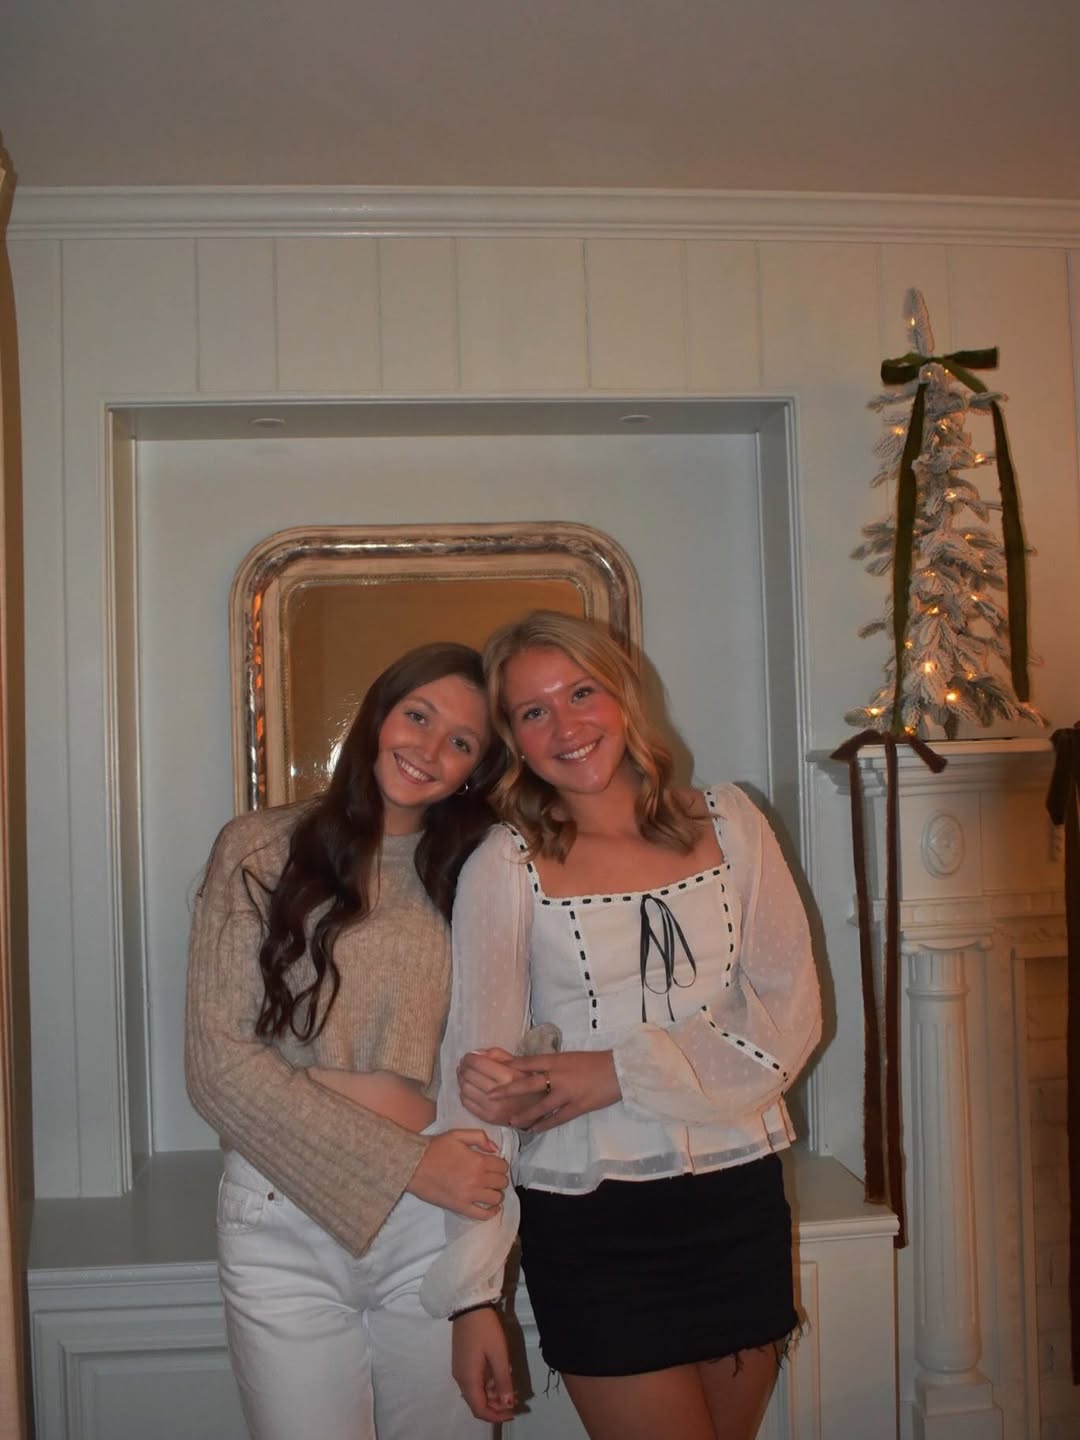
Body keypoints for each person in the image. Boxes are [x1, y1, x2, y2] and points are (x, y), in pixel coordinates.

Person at [426, 612, 822, 1440]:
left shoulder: (733, 823)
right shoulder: (506, 863)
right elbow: (479, 1094)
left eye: (581, 693)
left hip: (739, 1197)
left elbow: (790, 1017)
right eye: (533, 712)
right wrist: (472, 1297)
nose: (565, 726)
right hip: (594, 1226)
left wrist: (613, 1071)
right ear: (514, 739)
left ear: (624, 694)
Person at [185, 641, 511, 1440]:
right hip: (281, 1213)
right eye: (417, 716)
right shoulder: (259, 847)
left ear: (475, 769)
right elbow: (217, 1069)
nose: (429, 749)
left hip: (431, 1219)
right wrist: (407, 1158)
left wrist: (476, 1291)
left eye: (460, 741)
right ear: (378, 712)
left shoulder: (483, 868)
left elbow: (499, 1044)